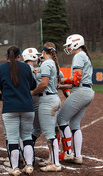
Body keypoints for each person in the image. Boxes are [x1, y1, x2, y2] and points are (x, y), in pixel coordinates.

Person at [0, 46, 36, 176]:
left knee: (12, 139)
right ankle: (29, 166)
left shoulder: (1, 68)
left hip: (10, 108)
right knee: (27, 137)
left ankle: (15, 168)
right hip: (27, 107)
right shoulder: (26, 67)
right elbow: (33, 85)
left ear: (7, 56)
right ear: (20, 56)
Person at [57, 34, 95, 164]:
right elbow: (77, 82)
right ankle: (77, 156)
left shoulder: (78, 55)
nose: (67, 47)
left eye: (69, 45)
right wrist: (62, 86)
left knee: (61, 119)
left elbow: (76, 79)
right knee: (74, 124)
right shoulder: (84, 55)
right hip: (87, 91)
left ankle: (67, 153)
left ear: (75, 43)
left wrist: (59, 80)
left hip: (81, 92)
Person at [31, 42, 61, 172]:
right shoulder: (52, 63)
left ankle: (56, 163)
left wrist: (32, 92)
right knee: (51, 132)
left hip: (47, 100)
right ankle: (52, 159)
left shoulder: (46, 63)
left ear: (43, 52)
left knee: (49, 134)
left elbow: (43, 84)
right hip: (53, 98)